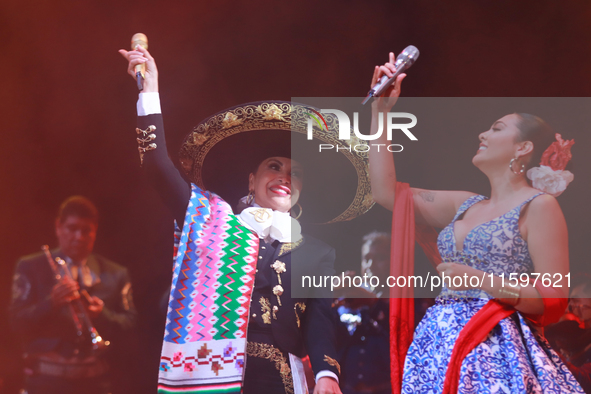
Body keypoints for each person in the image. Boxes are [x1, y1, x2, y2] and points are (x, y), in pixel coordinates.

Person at [118, 45, 371, 394]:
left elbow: (320, 322)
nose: (284, 176)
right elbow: (158, 168)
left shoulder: (317, 252)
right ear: (252, 181)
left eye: (294, 172)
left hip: (282, 380)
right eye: (274, 166)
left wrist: (327, 375)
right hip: (210, 372)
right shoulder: (212, 221)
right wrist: (150, 92)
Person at [368, 52, 583, 393]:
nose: (483, 133)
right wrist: (380, 114)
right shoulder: (464, 203)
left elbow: (554, 299)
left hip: (497, 348)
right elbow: (384, 192)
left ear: (523, 147)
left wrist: (482, 280)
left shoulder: (539, 207)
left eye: (497, 129)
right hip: (437, 345)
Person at [9, 196, 137, 394]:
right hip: (45, 382)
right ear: (58, 227)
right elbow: (15, 322)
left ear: (95, 231)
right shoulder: (30, 267)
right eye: (72, 228)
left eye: (86, 230)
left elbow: (131, 326)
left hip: (95, 383)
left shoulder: (116, 273)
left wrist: (101, 314)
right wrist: (50, 303)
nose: (79, 237)